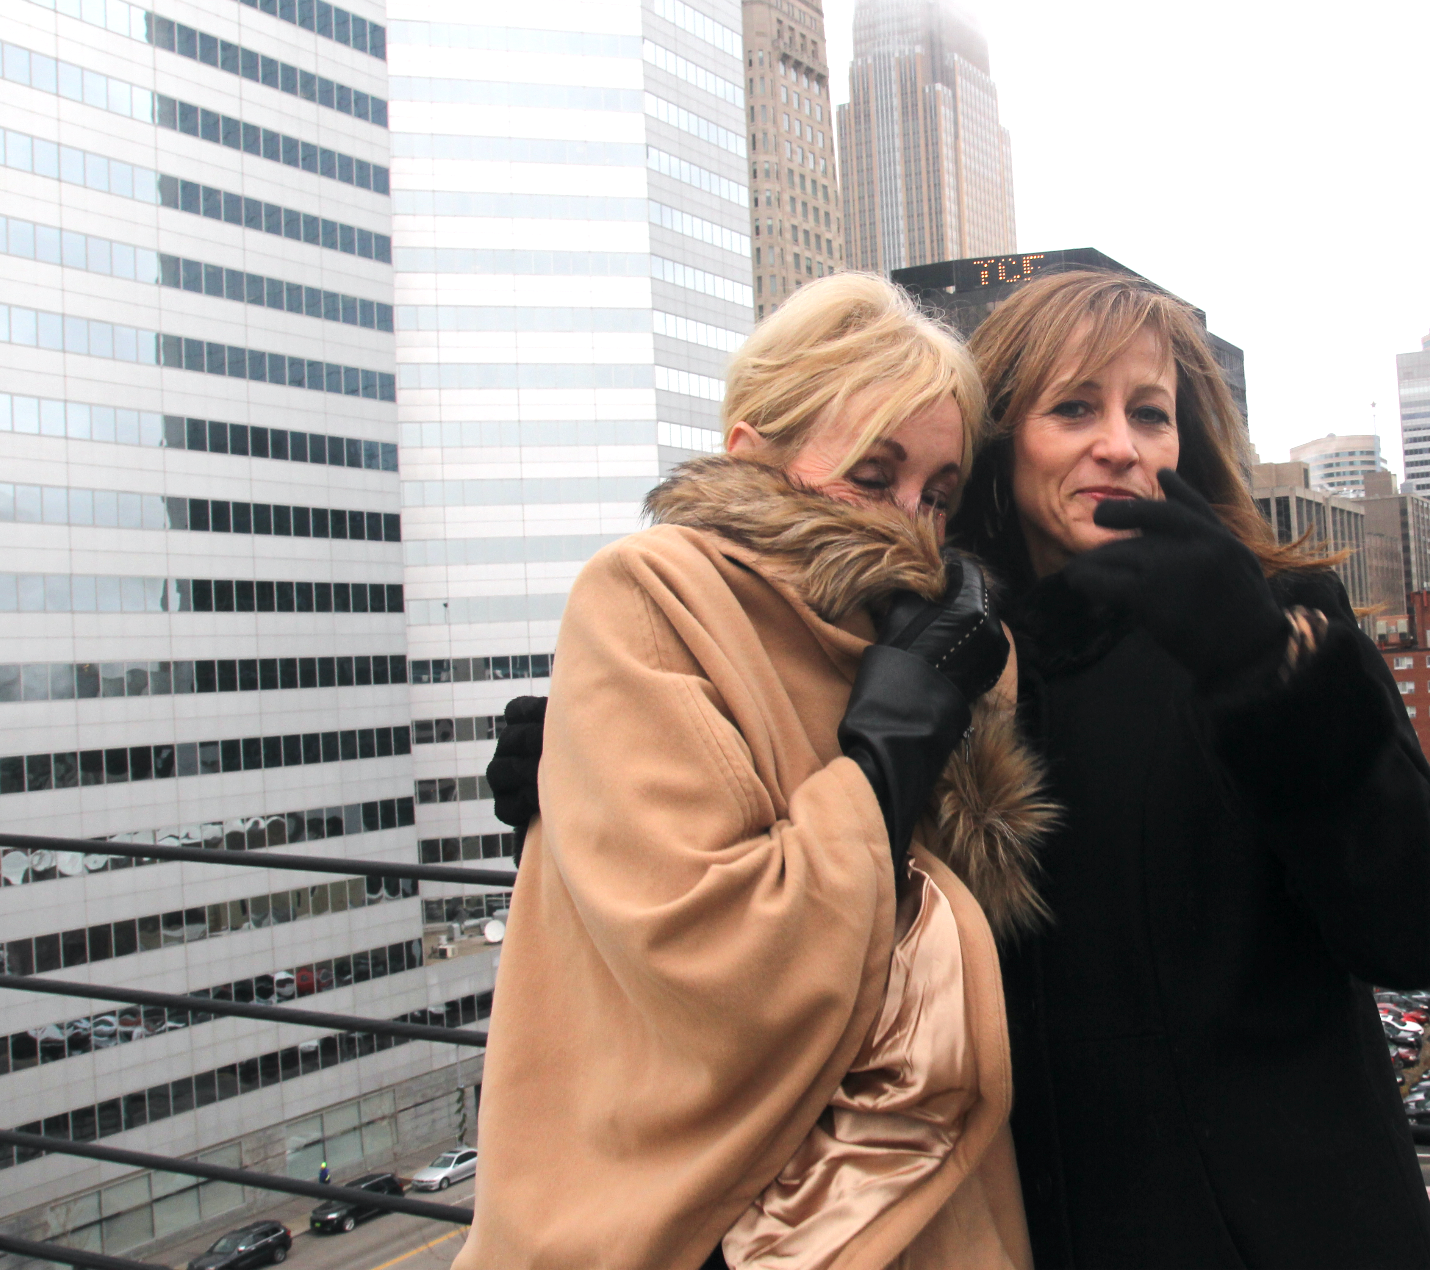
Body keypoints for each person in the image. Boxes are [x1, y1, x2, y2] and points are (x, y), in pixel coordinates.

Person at [455, 274, 1056, 1269]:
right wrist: (886, 750)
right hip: (723, 1222)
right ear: (753, 454)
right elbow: (725, 956)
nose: (910, 519)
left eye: (937, 493)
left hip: (922, 1200)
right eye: (875, 475)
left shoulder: (954, 643)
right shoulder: (652, 593)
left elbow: (973, 943)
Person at [952, 268, 1430, 1267]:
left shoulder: (1282, 624)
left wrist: (1260, 670)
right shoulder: (945, 670)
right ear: (998, 439)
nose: (1118, 445)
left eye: (1150, 414)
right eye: (1073, 406)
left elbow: (1407, 922)